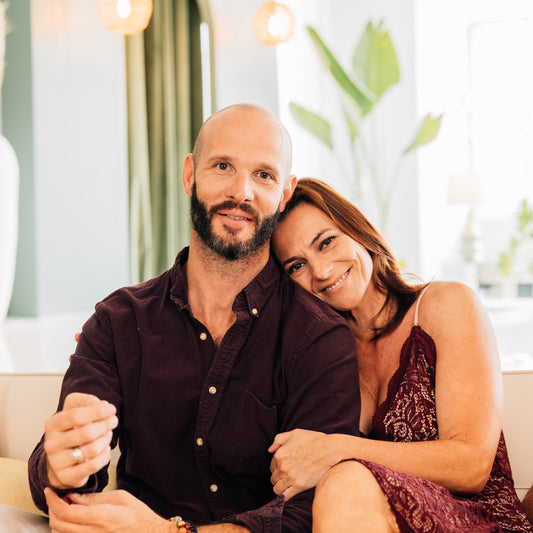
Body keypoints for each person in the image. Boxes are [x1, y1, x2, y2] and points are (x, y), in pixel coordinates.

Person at [28, 106, 361, 532]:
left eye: (264, 175)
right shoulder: (116, 321)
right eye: (223, 166)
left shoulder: (319, 338)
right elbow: (63, 477)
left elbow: (314, 511)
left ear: (284, 193)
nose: (241, 192)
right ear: (190, 175)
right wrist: (62, 465)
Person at [269, 177, 533, 532]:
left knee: (346, 480)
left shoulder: (445, 304)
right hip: (369, 521)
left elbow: (472, 464)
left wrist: (337, 450)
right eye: (296, 266)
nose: (320, 271)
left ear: (358, 231)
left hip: (475, 520)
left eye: (327, 242)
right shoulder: (320, 358)